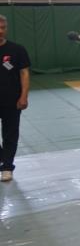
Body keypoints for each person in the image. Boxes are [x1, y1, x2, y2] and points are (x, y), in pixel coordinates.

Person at [0, 14, 30, 182]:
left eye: (3, 27)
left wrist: (24, 96)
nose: (0, 31)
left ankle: (7, 167)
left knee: (10, 134)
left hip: (12, 100)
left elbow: (24, 73)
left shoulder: (17, 49)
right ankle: (2, 157)